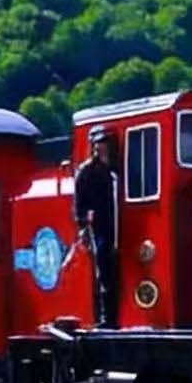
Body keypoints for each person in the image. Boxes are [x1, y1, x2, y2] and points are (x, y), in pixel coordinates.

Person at [72, 126, 121, 329]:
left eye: (105, 145)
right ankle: (106, 316)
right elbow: (79, 203)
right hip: (101, 224)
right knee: (103, 266)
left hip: (119, 220)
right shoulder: (86, 172)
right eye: (99, 146)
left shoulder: (116, 170)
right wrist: (83, 225)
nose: (102, 149)